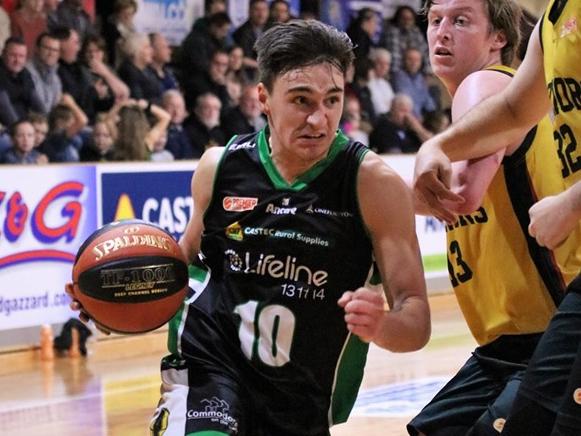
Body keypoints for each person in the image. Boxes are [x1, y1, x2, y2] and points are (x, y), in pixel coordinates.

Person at [69, 20, 431, 435]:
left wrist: (382, 326)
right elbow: (175, 272)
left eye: (333, 100)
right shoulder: (218, 167)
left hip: (301, 400)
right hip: (210, 369)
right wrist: (104, 306)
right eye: (301, 100)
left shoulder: (375, 185)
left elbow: (416, 319)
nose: (320, 118)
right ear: (264, 98)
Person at [408, 0, 581, 435]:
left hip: (536, 329)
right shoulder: (549, 28)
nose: (441, 32)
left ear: (498, 39)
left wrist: (357, 191)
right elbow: (511, 112)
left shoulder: (481, 84)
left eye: (461, 21)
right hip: (513, 337)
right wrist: (439, 146)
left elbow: (461, 195)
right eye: (434, 21)